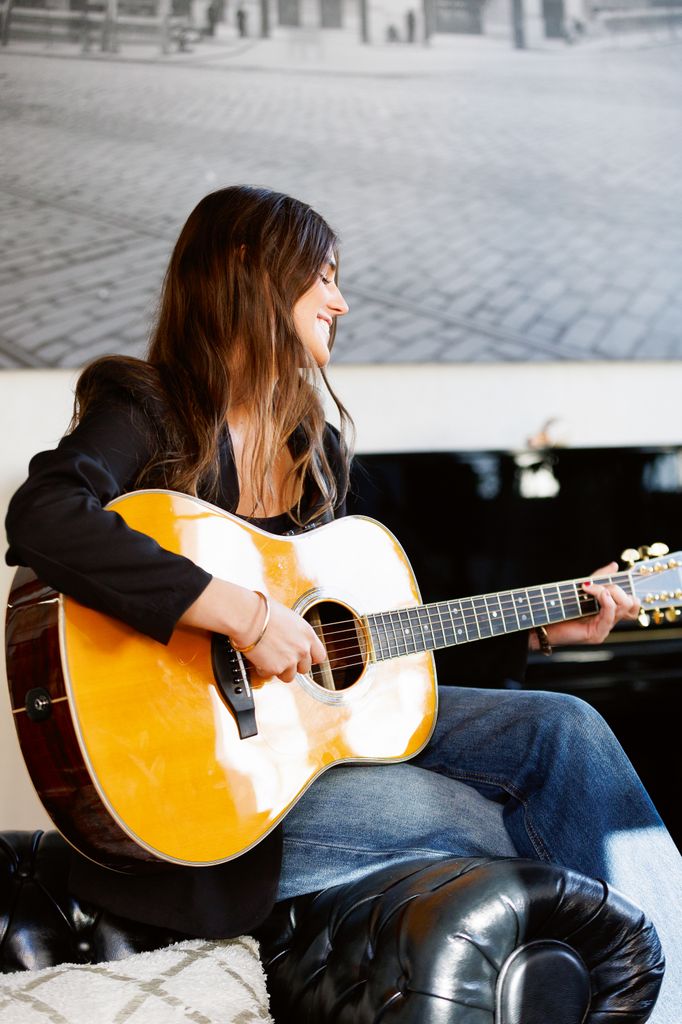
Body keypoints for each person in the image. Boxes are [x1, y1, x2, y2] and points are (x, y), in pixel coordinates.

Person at [5, 186, 680, 1020]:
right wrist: (242, 615)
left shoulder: (311, 448)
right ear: (252, 271)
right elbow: (42, 518)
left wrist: (537, 627)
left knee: (565, 727)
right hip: (210, 807)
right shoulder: (147, 407)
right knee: (463, 815)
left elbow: (364, 654)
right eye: (323, 275)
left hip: (314, 753)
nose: (342, 300)